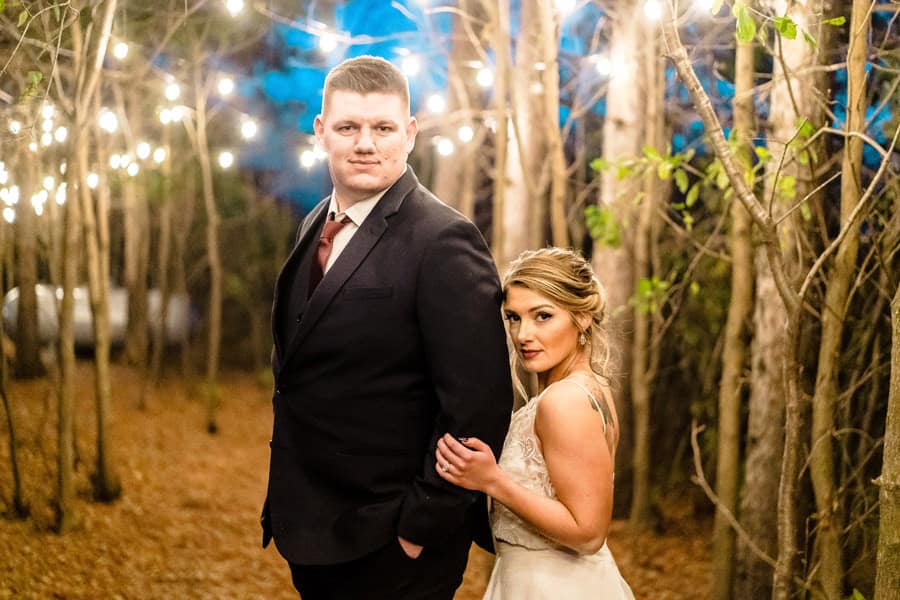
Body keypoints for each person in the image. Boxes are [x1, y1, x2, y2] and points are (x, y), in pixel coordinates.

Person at [260, 55, 512, 600]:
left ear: (411, 132)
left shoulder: (443, 240)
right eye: (349, 127)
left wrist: (419, 528)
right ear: (322, 131)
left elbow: (478, 405)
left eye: (383, 128)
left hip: (392, 545)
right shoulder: (314, 224)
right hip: (312, 527)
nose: (365, 143)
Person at [435, 247, 634, 599]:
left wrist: (492, 481)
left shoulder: (564, 401)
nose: (523, 334)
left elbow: (588, 534)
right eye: (513, 317)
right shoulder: (591, 387)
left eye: (542, 316)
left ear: (582, 316)